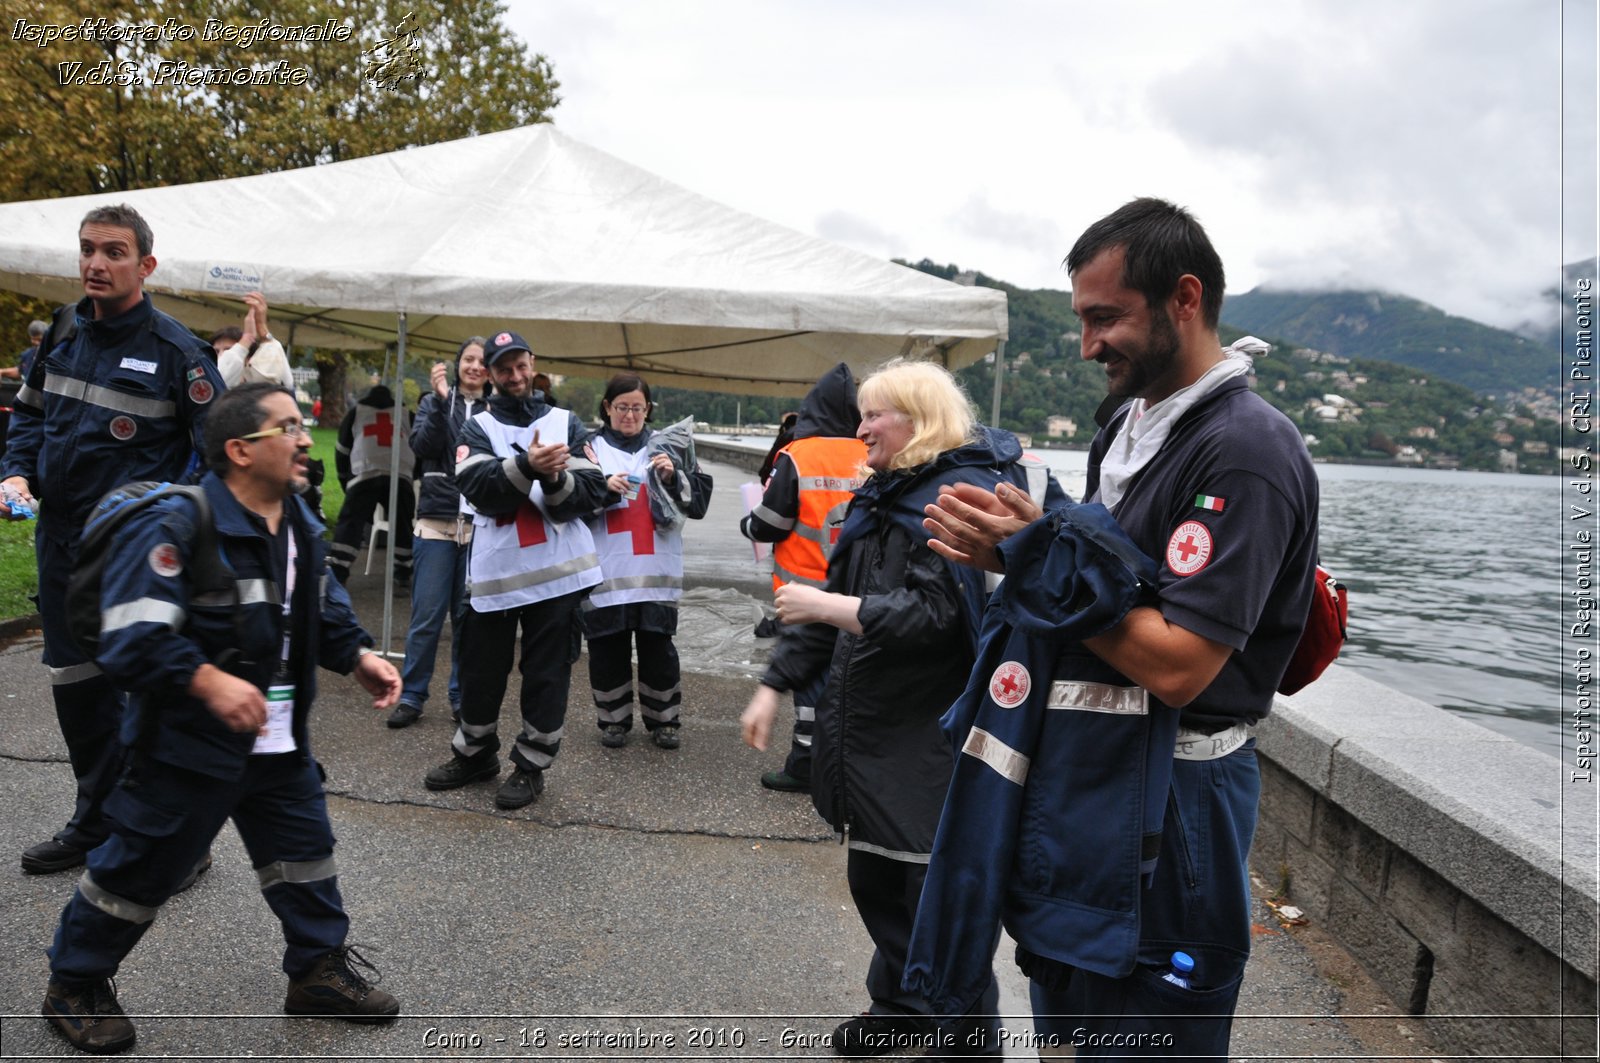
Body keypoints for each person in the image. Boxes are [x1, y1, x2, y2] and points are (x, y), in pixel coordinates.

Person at [913, 198, 1320, 1058]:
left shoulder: (1246, 449)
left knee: (1148, 1031)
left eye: (1106, 318)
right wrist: (1031, 544)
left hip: (1175, 804)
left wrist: (1029, 560)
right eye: (1082, 319)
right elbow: (1097, 584)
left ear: (1183, 297)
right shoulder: (1127, 427)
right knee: (1070, 1013)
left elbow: (1179, 668)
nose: (1089, 343)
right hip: (1088, 782)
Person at [39, 383, 404, 1054]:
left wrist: (356, 655)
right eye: (287, 427)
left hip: (278, 739)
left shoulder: (297, 518)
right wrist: (207, 681)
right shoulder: (178, 523)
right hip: (186, 746)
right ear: (240, 450)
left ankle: (317, 970)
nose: (303, 438)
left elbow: (317, 604)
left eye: (302, 425)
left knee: (306, 854)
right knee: (139, 867)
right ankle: (75, 981)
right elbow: (131, 633)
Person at [741, 359, 1065, 1058]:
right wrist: (775, 683)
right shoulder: (882, 497)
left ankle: (965, 1042)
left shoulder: (960, 495)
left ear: (918, 419)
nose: (859, 429)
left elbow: (942, 616)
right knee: (877, 879)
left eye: (873, 415)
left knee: (936, 907)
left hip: (930, 742)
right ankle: (898, 1007)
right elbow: (823, 614)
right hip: (873, 738)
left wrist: (833, 605)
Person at [1, 204, 226, 877]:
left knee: (146, 697)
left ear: (145, 264)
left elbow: (218, 458)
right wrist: (15, 468)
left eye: (115, 251)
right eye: (88, 249)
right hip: (62, 544)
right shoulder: (62, 332)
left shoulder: (179, 354)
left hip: (134, 558)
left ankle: (178, 840)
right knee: (79, 689)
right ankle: (95, 817)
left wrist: (175, 529)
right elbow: (30, 418)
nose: (97, 263)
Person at [423, 330, 609, 809]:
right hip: (497, 577)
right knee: (481, 670)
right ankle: (476, 753)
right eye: (503, 368)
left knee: (547, 673)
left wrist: (555, 477)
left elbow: (591, 495)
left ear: (532, 362)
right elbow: (477, 486)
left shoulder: (567, 422)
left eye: (520, 365)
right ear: (490, 373)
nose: (515, 375)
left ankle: (531, 765)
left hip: (558, 575)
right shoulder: (477, 427)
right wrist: (528, 465)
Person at [739, 362, 866, 793]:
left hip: (803, 593)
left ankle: (807, 766)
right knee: (847, 681)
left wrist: (748, 525)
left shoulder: (797, 454)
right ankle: (844, 765)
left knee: (810, 685)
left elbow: (770, 522)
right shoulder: (873, 450)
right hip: (857, 597)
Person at [581, 373, 713, 750]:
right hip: (607, 570)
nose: (630, 414)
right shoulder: (588, 448)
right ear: (607, 408)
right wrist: (601, 488)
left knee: (658, 647)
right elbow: (566, 500)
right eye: (622, 407)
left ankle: (664, 719)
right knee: (608, 647)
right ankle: (613, 719)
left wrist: (673, 477)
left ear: (648, 410)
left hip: (657, 569)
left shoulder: (668, 446)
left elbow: (700, 501)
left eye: (637, 407)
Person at [386, 337, 491, 728]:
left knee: (466, 618)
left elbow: (470, 449)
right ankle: (412, 695)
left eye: (482, 361)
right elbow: (424, 444)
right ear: (457, 363)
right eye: (468, 359)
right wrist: (442, 399)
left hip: (477, 526)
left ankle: (460, 696)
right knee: (426, 615)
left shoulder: (492, 410)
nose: (474, 366)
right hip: (436, 520)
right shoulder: (432, 402)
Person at [329, 380, 414, 585]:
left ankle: (338, 572)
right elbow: (419, 445)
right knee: (403, 524)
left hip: (363, 474)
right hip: (400, 475)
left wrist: (345, 482)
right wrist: (414, 476)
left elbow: (342, 451)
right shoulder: (406, 414)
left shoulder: (356, 412)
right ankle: (403, 572)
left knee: (350, 524)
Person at [210, 292, 294, 388]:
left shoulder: (259, 390)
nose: (221, 356)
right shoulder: (209, 382)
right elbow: (215, 377)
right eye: (216, 351)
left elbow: (279, 373)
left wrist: (262, 330)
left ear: (249, 359)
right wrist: (247, 338)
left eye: (228, 350)